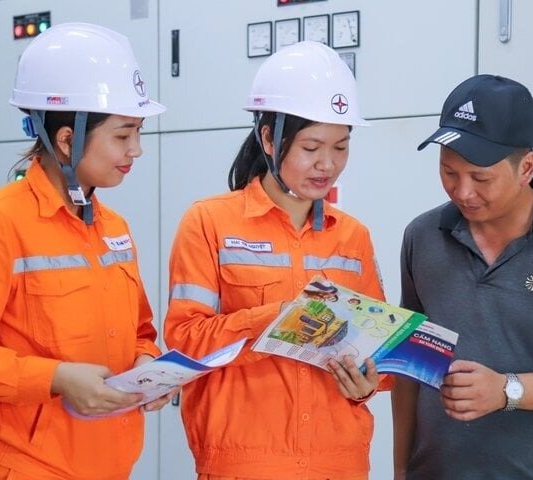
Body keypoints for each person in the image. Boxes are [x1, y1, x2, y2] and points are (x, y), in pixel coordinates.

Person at [164, 41, 391, 480]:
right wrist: (276, 318)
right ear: (269, 138)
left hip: (339, 464)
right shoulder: (209, 222)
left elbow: (379, 359)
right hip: (245, 465)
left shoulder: (353, 236)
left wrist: (367, 384)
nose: (327, 164)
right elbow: (186, 344)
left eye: (341, 147)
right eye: (311, 147)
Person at [0, 23, 170, 479]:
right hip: (26, 468)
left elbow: (140, 331)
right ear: (66, 139)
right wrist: (54, 379)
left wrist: (148, 364)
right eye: (123, 135)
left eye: (138, 132)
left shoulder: (114, 228)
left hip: (110, 465)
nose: (136, 150)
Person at [392, 74, 533, 479]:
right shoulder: (422, 236)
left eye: (481, 178)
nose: (462, 191)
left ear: (526, 167)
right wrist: (401, 469)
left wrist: (507, 390)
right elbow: (409, 366)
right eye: (449, 172)